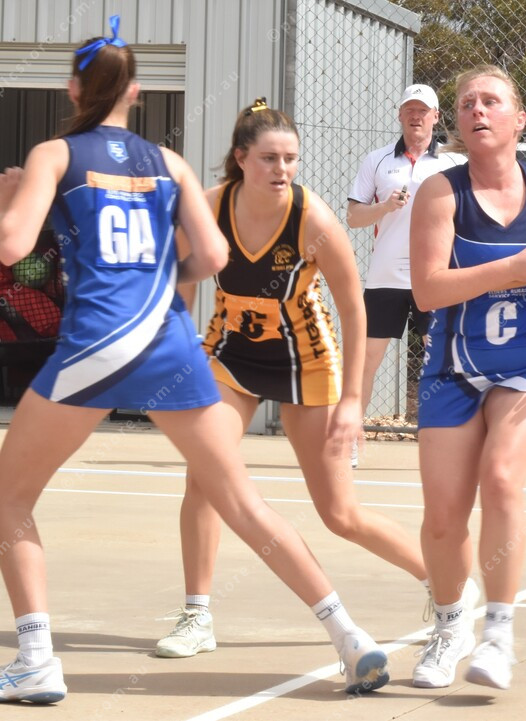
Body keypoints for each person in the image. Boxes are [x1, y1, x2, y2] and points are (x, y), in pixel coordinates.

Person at [0, 19, 390, 703]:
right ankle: (349, 637)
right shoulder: (169, 164)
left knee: (9, 499)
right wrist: (152, 277)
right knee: (242, 501)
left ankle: (35, 657)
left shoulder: (54, 155)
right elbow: (211, 256)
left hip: (97, 344)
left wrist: (11, 199)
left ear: (73, 90)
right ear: (136, 93)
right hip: (169, 344)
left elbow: (12, 246)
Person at [155, 98, 479, 660]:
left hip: (303, 360)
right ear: (241, 159)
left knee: (339, 514)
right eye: (269, 158)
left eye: (290, 158)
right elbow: (182, 293)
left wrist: (353, 400)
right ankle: (196, 615)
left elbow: (353, 308)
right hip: (230, 353)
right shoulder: (210, 208)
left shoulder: (313, 219)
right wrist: (175, 361)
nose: (281, 169)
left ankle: (445, 583)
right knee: (203, 478)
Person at [408, 64, 526, 691]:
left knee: (502, 475)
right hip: (455, 368)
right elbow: (428, 290)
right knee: (442, 518)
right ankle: (450, 625)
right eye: (466, 103)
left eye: (490, 101)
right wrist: (518, 267)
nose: (477, 110)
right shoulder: (440, 192)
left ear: (519, 119)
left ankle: (499, 635)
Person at [346, 84, 460, 468]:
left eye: (423, 110)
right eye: (409, 109)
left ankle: (444, 445)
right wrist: (384, 207)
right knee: (365, 361)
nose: (416, 116)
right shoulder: (377, 160)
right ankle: (351, 443)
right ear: (400, 115)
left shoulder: (452, 163)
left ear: (435, 117)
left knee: (440, 359)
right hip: (385, 279)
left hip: (435, 278)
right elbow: (353, 217)